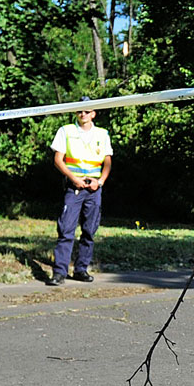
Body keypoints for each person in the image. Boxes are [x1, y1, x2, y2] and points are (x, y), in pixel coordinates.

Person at [46, 102, 112, 285]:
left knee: (89, 231)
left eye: (87, 111)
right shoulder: (66, 131)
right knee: (66, 229)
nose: (82, 114)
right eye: (80, 111)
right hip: (74, 187)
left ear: (93, 114)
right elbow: (58, 160)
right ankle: (59, 272)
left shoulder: (102, 134)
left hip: (94, 188)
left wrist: (100, 182)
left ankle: (81, 269)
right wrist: (74, 179)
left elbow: (107, 161)